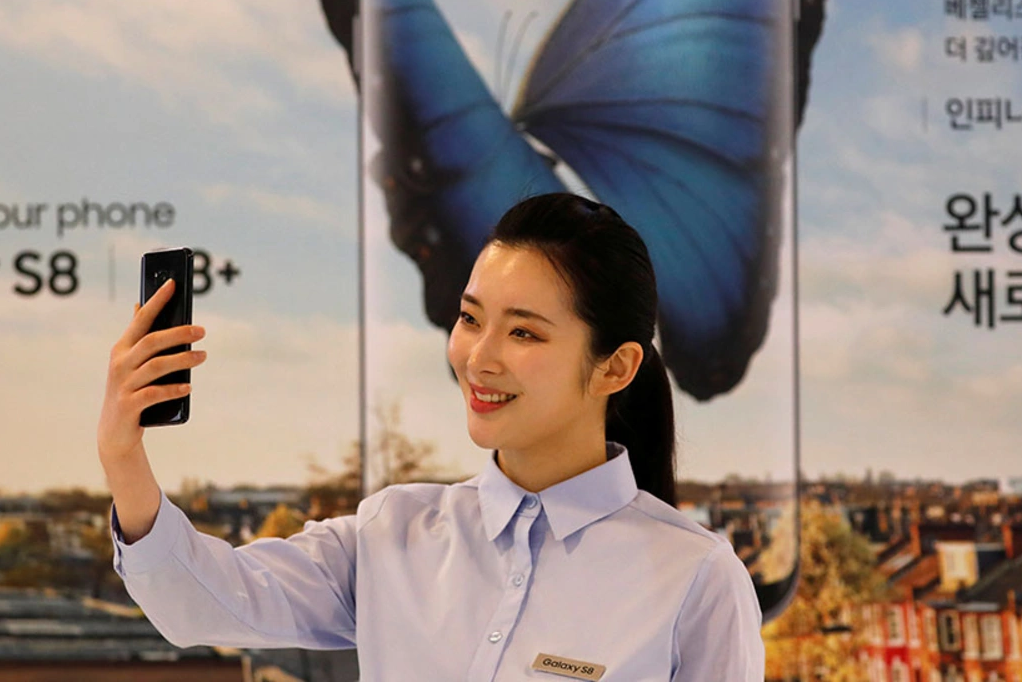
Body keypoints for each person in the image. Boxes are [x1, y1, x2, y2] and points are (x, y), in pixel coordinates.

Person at [98, 193, 765, 680]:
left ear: (615, 367)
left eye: (524, 332)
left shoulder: (696, 578)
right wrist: (124, 458)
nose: (479, 357)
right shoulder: (392, 533)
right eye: (471, 318)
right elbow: (202, 604)